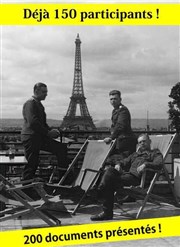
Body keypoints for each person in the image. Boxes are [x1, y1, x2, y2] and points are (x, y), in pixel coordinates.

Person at [90, 134, 163, 221]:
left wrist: (146, 164)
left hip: (137, 180)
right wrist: (119, 164)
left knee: (108, 181)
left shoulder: (155, 153)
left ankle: (104, 203)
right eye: (140, 142)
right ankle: (102, 194)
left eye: (144, 141)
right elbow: (124, 161)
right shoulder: (135, 154)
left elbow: (159, 164)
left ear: (149, 142)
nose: (142, 144)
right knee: (109, 170)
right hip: (126, 176)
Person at [21, 82, 67, 182]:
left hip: (36, 137)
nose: (46, 94)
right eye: (44, 92)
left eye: (46, 91)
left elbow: (40, 123)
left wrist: (50, 130)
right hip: (31, 137)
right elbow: (33, 122)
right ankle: (26, 186)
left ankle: (63, 179)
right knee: (32, 162)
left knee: (61, 149)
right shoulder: (30, 103)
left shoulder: (37, 104)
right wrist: (48, 133)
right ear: (36, 91)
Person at [104, 90, 137, 165]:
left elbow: (120, 125)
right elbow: (114, 125)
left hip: (125, 143)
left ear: (120, 99)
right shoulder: (115, 110)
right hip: (120, 142)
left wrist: (111, 137)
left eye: (115, 99)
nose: (113, 101)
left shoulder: (123, 110)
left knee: (113, 160)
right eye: (111, 99)